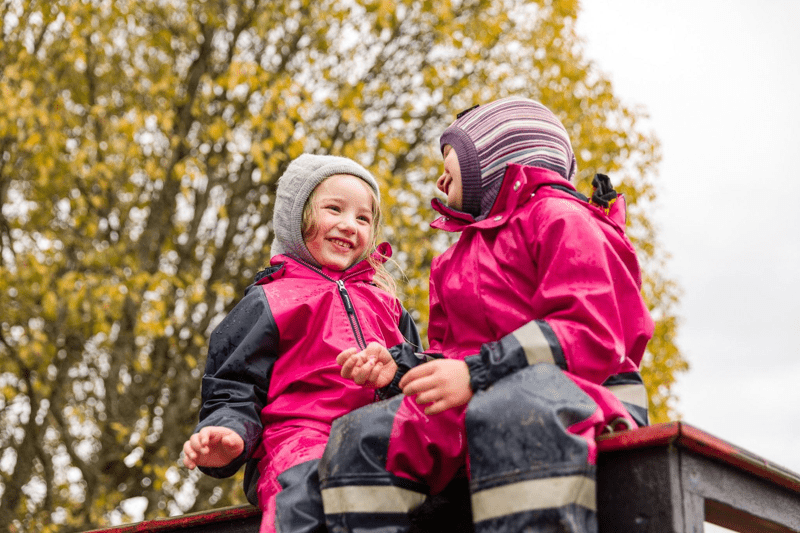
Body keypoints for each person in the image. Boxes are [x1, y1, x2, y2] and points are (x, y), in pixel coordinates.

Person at [319, 96, 655, 533]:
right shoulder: (454, 260)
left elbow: (589, 332)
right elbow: (453, 356)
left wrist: (475, 373)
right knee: (361, 435)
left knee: (510, 409)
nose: (440, 179)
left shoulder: (562, 218)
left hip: (583, 392)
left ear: (493, 158)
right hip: (481, 394)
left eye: (450, 161)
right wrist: (403, 370)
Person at [182, 153, 422, 533]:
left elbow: (419, 369)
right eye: (334, 209)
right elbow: (235, 384)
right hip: (298, 438)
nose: (350, 225)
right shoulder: (269, 300)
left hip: (380, 435)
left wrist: (395, 373)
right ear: (298, 217)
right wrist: (229, 432)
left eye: (363, 218)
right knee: (306, 491)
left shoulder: (388, 305)